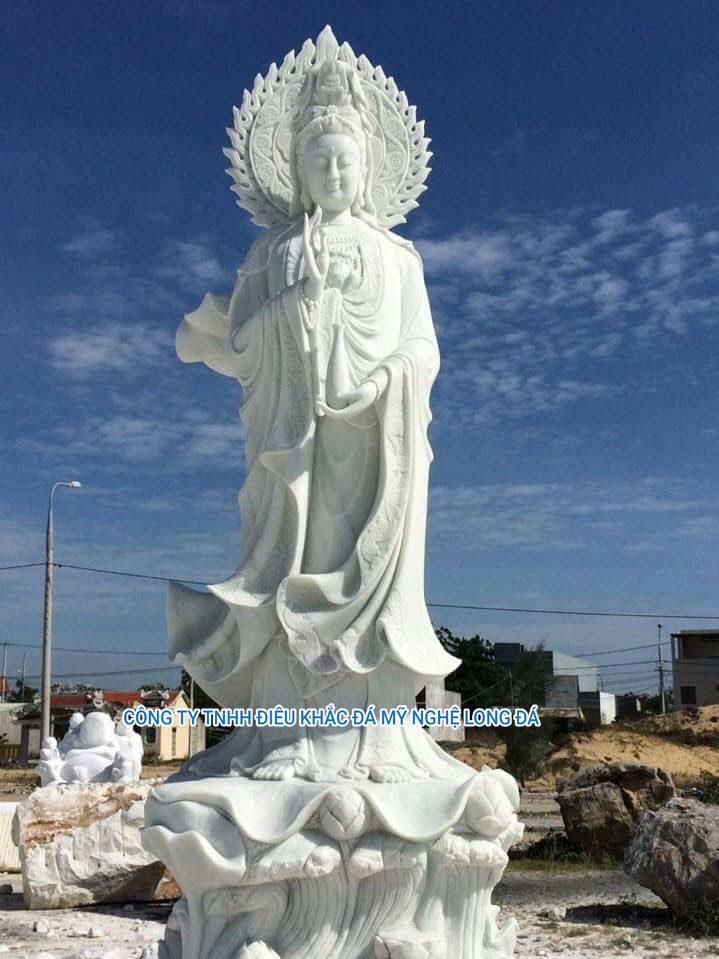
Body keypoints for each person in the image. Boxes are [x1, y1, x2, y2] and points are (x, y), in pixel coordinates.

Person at [169, 58, 463, 785]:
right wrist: (293, 306)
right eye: (319, 159)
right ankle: (288, 738)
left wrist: (385, 382)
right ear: (297, 172)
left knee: (370, 577)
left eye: (344, 159)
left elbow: (423, 347)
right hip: (294, 442)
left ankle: (378, 741)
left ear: (368, 169)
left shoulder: (398, 257)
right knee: (291, 572)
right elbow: (241, 341)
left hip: (374, 443)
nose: (333, 171)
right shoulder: (274, 251)